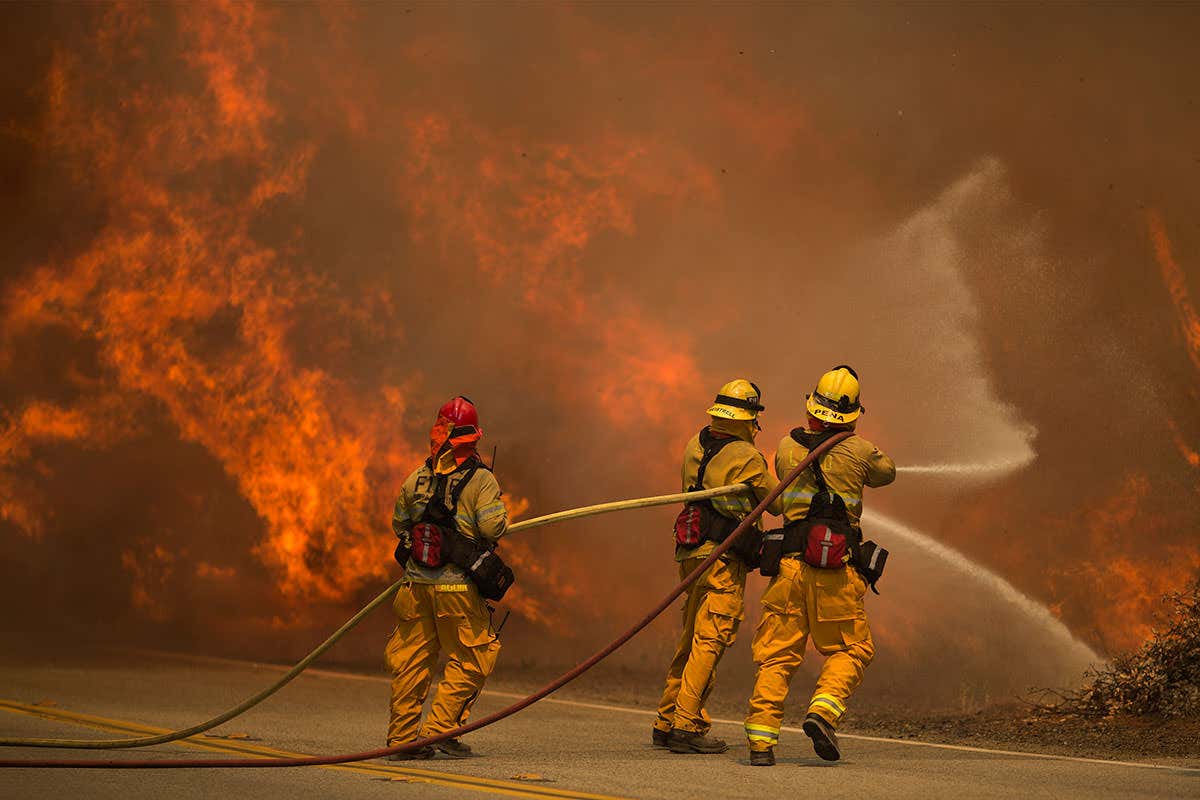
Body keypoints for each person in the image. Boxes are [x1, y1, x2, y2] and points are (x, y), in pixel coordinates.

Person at [743, 366, 895, 766]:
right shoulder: (861, 452)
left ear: (811, 406)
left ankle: (761, 743)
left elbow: (782, 479)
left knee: (777, 656)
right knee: (853, 648)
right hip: (836, 573)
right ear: (853, 415)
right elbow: (887, 473)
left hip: (790, 569)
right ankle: (823, 712)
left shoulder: (787, 448)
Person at [653, 379, 782, 754]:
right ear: (746, 419)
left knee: (691, 636)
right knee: (711, 639)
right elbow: (775, 504)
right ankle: (686, 724)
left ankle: (665, 719)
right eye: (754, 420)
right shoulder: (747, 457)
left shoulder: (695, 444)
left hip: (690, 553)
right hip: (721, 559)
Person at [385, 396, 509, 759]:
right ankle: (441, 730)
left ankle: (404, 739)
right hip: (456, 589)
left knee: (412, 662)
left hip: (415, 587)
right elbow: (492, 526)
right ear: (471, 438)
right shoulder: (481, 480)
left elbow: (399, 526)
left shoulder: (416, 478)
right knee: (474, 656)